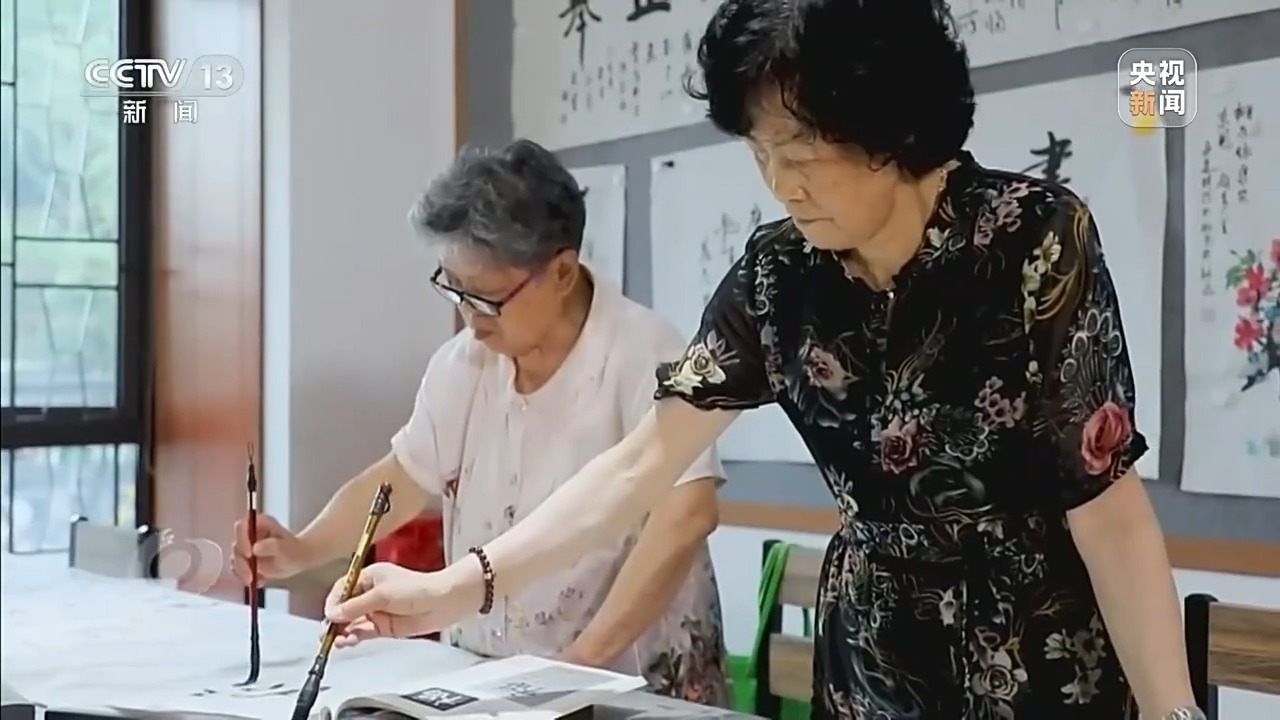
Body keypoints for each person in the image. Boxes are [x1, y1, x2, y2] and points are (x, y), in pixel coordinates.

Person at [323, 2, 1203, 718]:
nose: (783, 185)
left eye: (805, 153)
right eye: (760, 153)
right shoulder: (781, 276)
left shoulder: (1031, 239)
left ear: (894, 131)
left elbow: (1106, 507)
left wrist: (1173, 712)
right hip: (873, 660)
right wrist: (454, 589)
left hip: (1039, 654)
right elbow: (638, 464)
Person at [232, 138, 729, 705]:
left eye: (487, 298)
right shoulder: (464, 363)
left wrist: (579, 666)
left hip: (626, 681)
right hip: (491, 678)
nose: (470, 318)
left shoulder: (646, 352)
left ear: (562, 272)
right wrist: (302, 547)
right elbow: (401, 478)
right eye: (454, 289)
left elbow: (685, 516)